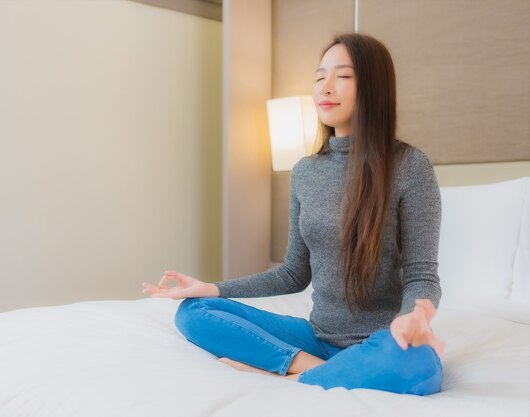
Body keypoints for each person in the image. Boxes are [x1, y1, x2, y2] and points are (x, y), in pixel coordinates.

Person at [142, 32, 444, 396]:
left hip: (383, 339)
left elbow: (421, 275)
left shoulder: (411, 166)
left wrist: (415, 317)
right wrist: (212, 287)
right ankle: (321, 370)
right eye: (319, 77)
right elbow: (292, 273)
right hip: (316, 339)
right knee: (193, 313)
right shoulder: (305, 171)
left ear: (374, 87)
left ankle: (288, 377)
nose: (325, 88)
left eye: (343, 77)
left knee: (420, 365)